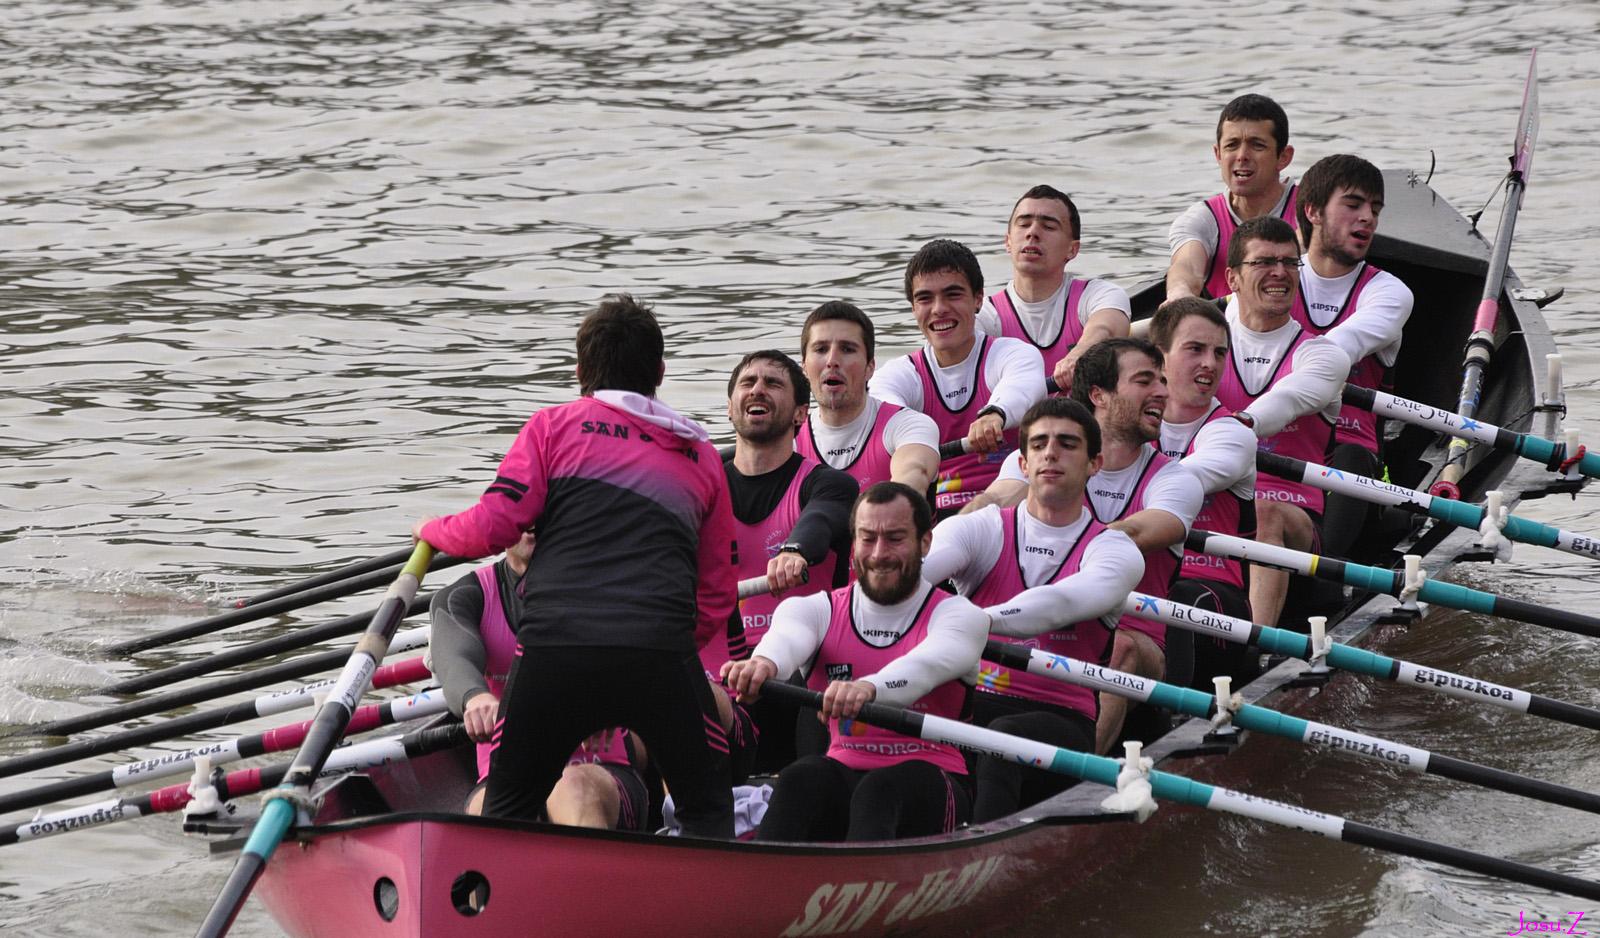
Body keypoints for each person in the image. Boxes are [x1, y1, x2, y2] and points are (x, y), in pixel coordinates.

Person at [414, 294, 735, 839]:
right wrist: (665, 647)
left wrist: (432, 530)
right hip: (659, 651)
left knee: (507, 808)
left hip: (555, 652)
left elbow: (494, 527)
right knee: (707, 810)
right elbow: (717, 590)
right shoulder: (701, 454)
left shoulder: (552, 427)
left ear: (581, 371)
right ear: (659, 372)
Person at [722, 483, 989, 843]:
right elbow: (785, 639)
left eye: (895, 539)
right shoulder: (814, 609)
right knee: (800, 778)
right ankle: (762, 876)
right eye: (868, 538)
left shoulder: (960, 616)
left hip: (935, 774)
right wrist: (762, 665)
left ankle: (853, 876)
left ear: (925, 543)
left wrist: (869, 688)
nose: (879, 554)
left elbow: (926, 666)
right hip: (846, 769)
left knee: (880, 790)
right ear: (853, 543)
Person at [922, 397, 1144, 820]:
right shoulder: (982, 528)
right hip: (973, 702)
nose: (1051, 453)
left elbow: (1060, 603)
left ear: (1094, 464)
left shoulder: (1114, 550)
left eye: (1067, 444)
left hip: (1062, 720)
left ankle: (982, 848)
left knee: (1002, 738)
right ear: (1023, 464)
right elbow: (912, 578)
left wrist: (975, 621)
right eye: (1039, 444)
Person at [429, 533, 649, 830]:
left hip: (601, 772)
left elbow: (642, 665)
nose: (530, 525)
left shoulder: (607, 586)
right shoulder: (465, 596)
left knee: (572, 786)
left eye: (539, 513)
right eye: (521, 515)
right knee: (489, 813)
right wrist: (474, 697)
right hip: (504, 780)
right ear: (500, 523)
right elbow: (454, 659)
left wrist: (608, 696)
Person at [719, 349, 858, 770]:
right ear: (729, 408)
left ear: (800, 414)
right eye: (748, 382)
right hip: (725, 662)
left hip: (802, 661)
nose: (758, 389)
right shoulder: (701, 479)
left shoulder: (830, 484)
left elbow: (820, 520)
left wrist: (794, 551)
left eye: (773, 383)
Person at [1214, 217, 1353, 629]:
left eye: (1290, 263)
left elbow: (1287, 400)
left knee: (1265, 512)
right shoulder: (1205, 347)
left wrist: (1236, 427)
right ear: (1232, 278)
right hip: (1215, 503)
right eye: (1264, 262)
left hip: (1293, 517)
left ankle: (1254, 646)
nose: (1280, 272)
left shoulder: (1323, 355)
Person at [1066, 339, 1203, 751]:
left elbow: (1140, 532)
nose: (1163, 392)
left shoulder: (1175, 479)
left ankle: (1079, 777)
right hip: (1053, 630)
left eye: (1163, 381)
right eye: (1145, 381)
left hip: (1137, 640)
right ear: (1099, 395)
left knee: (1120, 646)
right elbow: (995, 503)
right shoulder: (1045, 461)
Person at [1292, 154, 1415, 559]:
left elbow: (1330, 355)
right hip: (1282, 442)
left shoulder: (1389, 293)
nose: (1368, 218)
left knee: (1350, 457)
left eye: (1375, 209)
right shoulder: (1275, 278)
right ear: (1313, 211)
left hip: (1352, 456)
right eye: (1353, 204)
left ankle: (1323, 571)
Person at [869, 239, 1047, 518]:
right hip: (935, 506)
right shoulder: (897, 375)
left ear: (978, 299)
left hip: (1010, 508)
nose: (939, 309)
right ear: (913, 308)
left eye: (952, 295)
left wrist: (994, 415)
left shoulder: (1013, 354)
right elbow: (882, 416)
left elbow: (1021, 386)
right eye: (925, 299)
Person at [1148, 298, 1260, 687]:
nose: (1210, 364)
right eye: (1195, 349)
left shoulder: (1232, 434)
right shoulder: (1128, 423)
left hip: (1214, 597)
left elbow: (1171, 486)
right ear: (1159, 359)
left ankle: (1174, 714)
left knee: (1177, 596)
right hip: (1143, 580)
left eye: (1219, 353)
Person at [977, 185, 1132, 390]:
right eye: (1024, 224)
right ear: (1008, 242)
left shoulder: (1100, 295)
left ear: (1072, 249)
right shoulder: (985, 314)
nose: (1032, 233)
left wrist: (1079, 355)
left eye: (1049, 227)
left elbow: (1106, 328)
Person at [795, 300, 941, 492]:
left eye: (847, 349)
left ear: (870, 368)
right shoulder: (789, 440)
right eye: (821, 349)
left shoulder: (908, 425)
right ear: (804, 367)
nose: (832, 361)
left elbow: (913, 473)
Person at [1166, 94, 1298, 303]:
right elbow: (1187, 267)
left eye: (1257, 145)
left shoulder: (1311, 211)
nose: (1242, 156)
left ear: (1283, 157)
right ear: (1218, 154)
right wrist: (1179, 294)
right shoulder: (1202, 219)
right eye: (1232, 145)